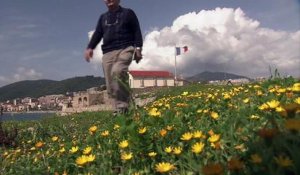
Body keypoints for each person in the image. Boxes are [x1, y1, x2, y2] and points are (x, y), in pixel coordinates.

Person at [84, 0, 143, 114]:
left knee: (118, 71)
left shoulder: (128, 13)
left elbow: (136, 30)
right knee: (110, 83)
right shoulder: (103, 18)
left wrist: (138, 48)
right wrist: (90, 47)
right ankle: (119, 106)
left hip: (125, 48)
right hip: (108, 52)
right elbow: (97, 34)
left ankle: (122, 107)